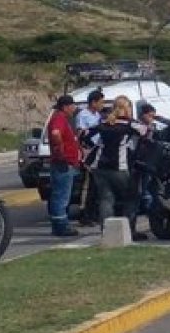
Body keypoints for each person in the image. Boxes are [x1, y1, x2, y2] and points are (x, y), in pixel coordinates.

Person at [88, 95, 149, 241]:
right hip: (119, 167)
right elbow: (146, 131)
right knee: (131, 197)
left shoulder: (104, 121)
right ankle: (129, 231)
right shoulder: (129, 124)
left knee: (106, 199)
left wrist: (91, 148)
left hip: (99, 167)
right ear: (127, 108)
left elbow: (86, 134)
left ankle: (106, 232)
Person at [46, 95, 82, 237]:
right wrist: (61, 150)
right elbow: (56, 133)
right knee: (61, 196)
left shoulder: (63, 119)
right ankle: (61, 226)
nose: (74, 109)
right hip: (63, 163)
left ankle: (59, 224)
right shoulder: (59, 119)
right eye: (72, 106)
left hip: (67, 163)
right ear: (65, 106)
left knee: (61, 195)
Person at [73, 89, 105, 226]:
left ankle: (93, 213)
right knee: (87, 186)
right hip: (88, 153)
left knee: (96, 186)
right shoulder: (83, 115)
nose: (102, 105)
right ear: (93, 102)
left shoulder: (98, 115)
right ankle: (84, 214)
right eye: (101, 102)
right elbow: (81, 135)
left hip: (98, 151)